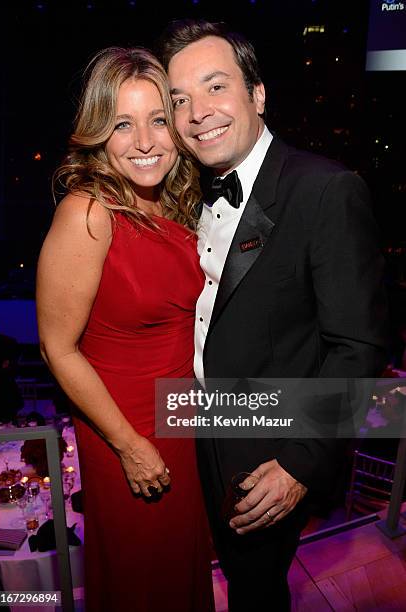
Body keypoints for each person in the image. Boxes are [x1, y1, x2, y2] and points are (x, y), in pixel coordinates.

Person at [159, 20, 388, 611]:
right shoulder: (187, 196)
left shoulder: (325, 190)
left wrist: (299, 464)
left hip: (270, 451)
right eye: (179, 99)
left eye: (214, 87)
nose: (195, 112)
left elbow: (357, 348)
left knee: (256, 592)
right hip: (201, 429)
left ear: (258, 95)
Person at [36, 47, 215, 612]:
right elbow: (56, 348)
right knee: (142, 580)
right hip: (127, 429)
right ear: (98, 134)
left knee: (181, 568)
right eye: (122, 124)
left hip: (182, 416)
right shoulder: (88, 213)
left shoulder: (176, 205)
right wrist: (129, 446)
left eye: (158, 119)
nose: (145, 141)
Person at [0, 319, 23, 426]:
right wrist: (1, 368)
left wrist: (1, 371)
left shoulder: (8, 343)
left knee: (10, 434)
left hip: (6, 397)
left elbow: (13, 370)